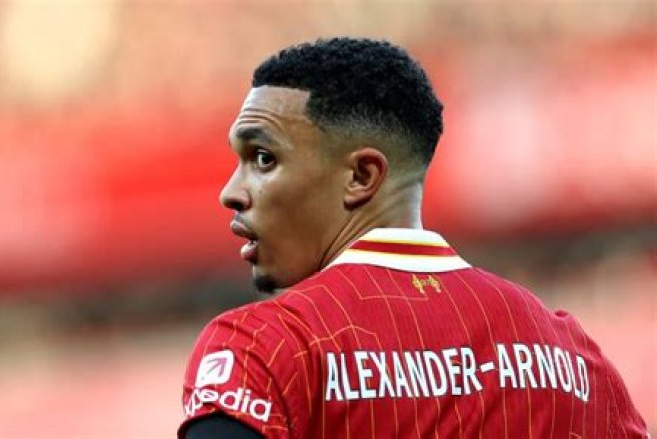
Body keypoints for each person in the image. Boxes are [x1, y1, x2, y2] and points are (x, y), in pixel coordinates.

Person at [177, 37, 647, 438]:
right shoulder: (574, 359)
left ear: (362, 176)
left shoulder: (266, 346)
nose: (231, 192)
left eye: (263, 158)